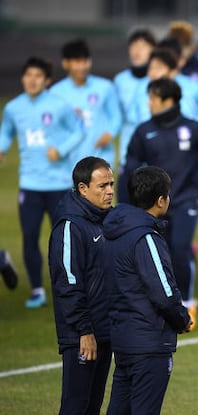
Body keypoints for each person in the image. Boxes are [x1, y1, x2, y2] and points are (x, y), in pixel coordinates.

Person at [122, 77, 198, 329]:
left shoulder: (194, 127)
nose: (149, 103)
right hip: (155, 204)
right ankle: (165, 301)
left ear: (168, 101)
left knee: (180, 249)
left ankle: (187, 303)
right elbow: (131, 164)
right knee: (160, 252)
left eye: (153, 98)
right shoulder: (143, 131)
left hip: (186, 200)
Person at [103, 166, 192, 415]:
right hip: (149, 342)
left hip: (123, 339)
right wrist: (182, 319)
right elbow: (163, 293)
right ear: (161, 200)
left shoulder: (114, 233)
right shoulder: (146, 237)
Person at [0, 56, 84, 308]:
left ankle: (72, 288)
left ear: (47, 81)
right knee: (29, 236)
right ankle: (37, 290)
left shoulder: (60, 105)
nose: (32, 80)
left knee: (64, 240)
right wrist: (2, 148)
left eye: (38, 76)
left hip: (59, 184)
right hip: (30, 184)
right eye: (28, 75)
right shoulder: (13, 108)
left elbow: (78, 131)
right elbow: (6, 132)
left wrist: (61, 149)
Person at [48, 156, 115, 415]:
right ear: (83, 188)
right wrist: (84, 331)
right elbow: (68, 284)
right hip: (82, 335)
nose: (110, 191)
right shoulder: (69, 226)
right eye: (102, 186)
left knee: (92, 406)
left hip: (105, 330)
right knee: (75, 406)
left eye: (111, 184)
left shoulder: (106, 220)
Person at [51, 38, 122, 168]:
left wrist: (110, 133)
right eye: (77, 62)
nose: (82, 67)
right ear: (65, 64)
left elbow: (116, 116)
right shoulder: (56, 93)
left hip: (101, 156)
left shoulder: (105, 87)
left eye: (85, 61)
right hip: (70, 159)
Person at [113, 28, 157, 172]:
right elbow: (116, 116)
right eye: (134, 46)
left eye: (143, 46)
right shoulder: (120, 80)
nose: (137, 51)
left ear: (153, 50)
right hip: (128, 150)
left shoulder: (157, 79)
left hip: (154, 149)